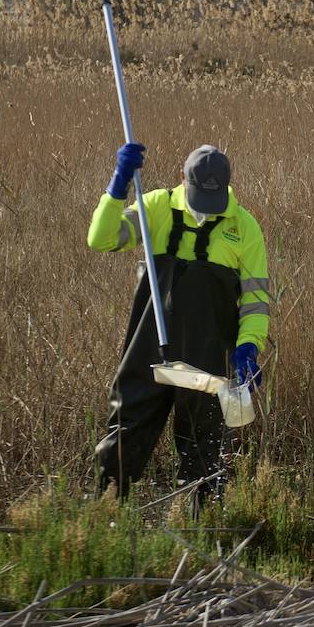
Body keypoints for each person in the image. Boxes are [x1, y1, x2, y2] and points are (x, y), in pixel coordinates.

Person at [87, 142, 271, 499]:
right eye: (198, 196)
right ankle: (105, 513)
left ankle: (202, 532)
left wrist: (249, 347)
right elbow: (101, 239)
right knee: (125, 436)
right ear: (182, 180)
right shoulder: (155, 206)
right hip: (149, 353)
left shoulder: (244, 228)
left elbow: (255, 301)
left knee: (204, 451)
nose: (204, 210)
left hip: (205, 359)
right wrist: (118, 186)